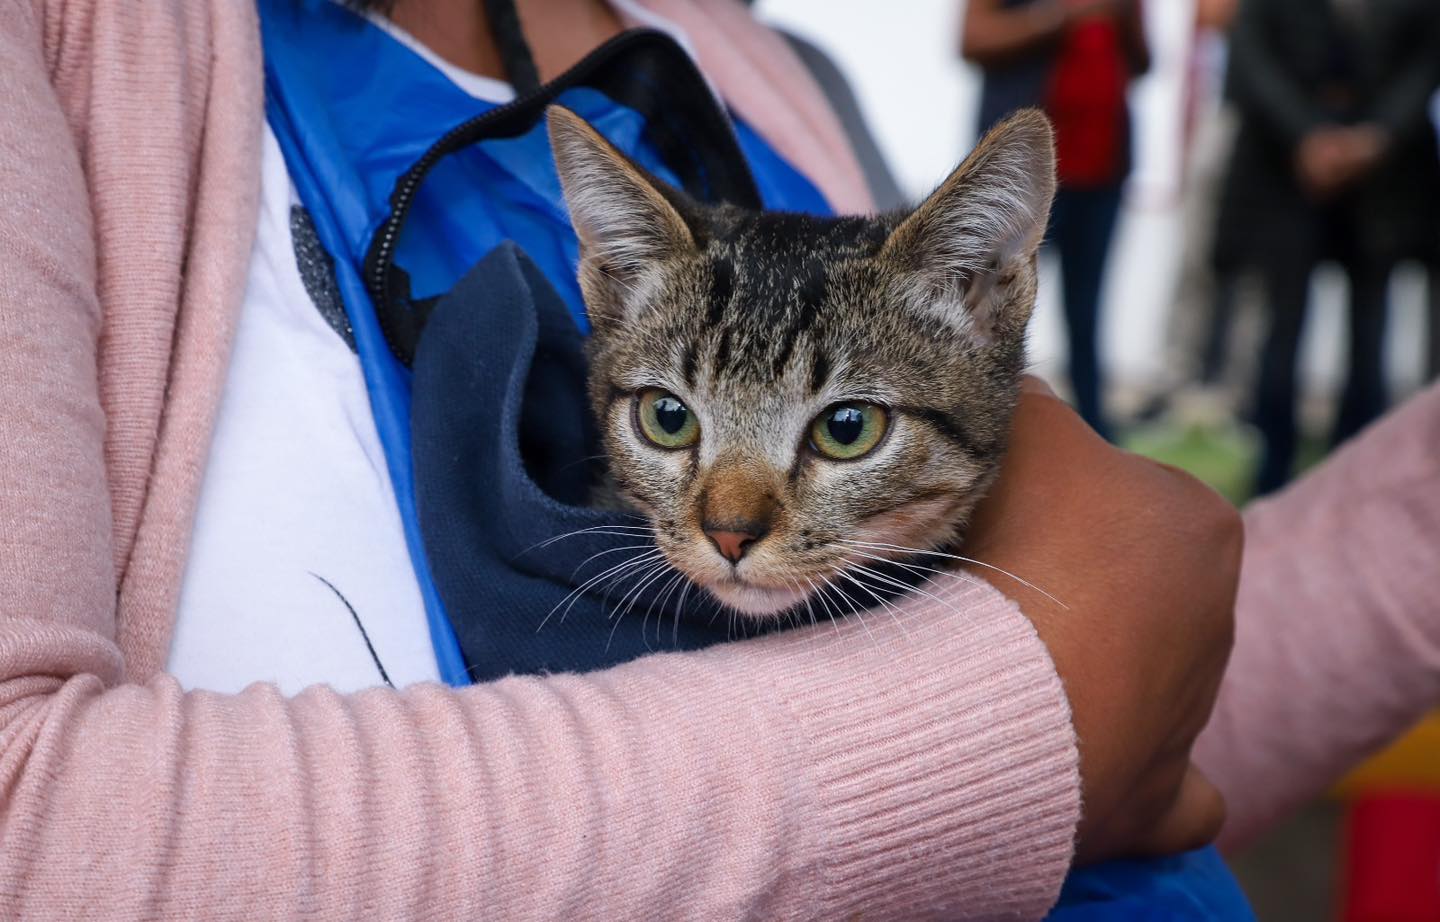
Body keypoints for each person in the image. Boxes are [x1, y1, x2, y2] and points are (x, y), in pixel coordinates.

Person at [0, 0, 1436, 917]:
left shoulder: (769, 71)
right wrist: (989, 724)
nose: (733, 516)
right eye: (672, 427)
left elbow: (1113, 728)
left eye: (841, 434)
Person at [1216, 0, 1440, 494]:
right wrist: (1307, 137)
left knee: (1370, 333)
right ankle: (1273, 474)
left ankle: (1358, 478)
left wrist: (1376, 138)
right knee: (1282, 330)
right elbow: (1255, 54)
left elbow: (1425, 59)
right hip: (1285, 175)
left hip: (1385, 184)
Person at [960, 0, 1149, 440]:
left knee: (1088, 312)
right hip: (1020, 180)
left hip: (1104, 171)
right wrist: (1063, 15)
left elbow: (1143, 61)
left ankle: (1095, 433)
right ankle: (994, 427)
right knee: (994, 309)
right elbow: (973, 39)